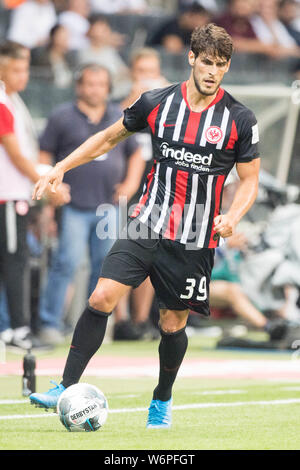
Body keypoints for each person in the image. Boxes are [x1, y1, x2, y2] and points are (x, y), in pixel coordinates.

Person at [29, 24, 260, 429]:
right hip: (146, 223)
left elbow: (251, 180)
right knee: (101, 296)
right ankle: (65, 385)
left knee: (172, 324)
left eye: (221, 65)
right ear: (191, 58)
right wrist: (60, 167)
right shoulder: (156, 102)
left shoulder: (239, 118)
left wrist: (233, 216)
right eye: (207, 62)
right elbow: (107, 139)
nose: (212, 72)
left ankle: (161, 400)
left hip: (193, 239)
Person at [37, 63, 145, 345]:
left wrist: (131, 184)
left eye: (100, 84)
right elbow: (44, 155)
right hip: (74, 205)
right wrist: (52, 184)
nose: (94, 89)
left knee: (104, 268)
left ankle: (92, 327)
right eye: (89, 84)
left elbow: (136, 154)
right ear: (79, 86)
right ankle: (49, 323)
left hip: (108, 207)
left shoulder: (118, 116)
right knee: (66, 263)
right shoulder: (62, 117)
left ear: (108, 88)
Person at [0, 40, 69, 350]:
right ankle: (16, 331)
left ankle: (15, 328)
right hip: (7, 196)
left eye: (25, 68)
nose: (23, 75)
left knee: (16, 262)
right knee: (14, 263)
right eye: (16, 68)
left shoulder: (13, 101)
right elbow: (15, 155)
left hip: (14, 195)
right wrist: (47, 182)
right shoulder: (2, 102)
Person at [31, 24, 76, 88]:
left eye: (66, 36)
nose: (65, 39)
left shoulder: (70, 58)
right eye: (61, 36)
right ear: (53, 36)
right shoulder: (42, 57)